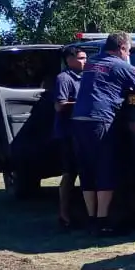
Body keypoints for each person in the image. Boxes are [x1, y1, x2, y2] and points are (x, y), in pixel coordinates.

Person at [70, 32, 135, 235]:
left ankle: (91, 217)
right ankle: (104, 221)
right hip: (101, 119)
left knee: (87, 169)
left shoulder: (92, 63)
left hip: (79, 120)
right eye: (128, 50)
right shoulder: (122, 66)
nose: (128, 53)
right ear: (121, 48)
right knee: (105, 169)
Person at [52, 46, 87, 230]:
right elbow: (60, 105)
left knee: (86, 172)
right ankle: (64, 215)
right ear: (69, 60)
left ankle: (86, 212)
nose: (84, 61)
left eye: (85, 57)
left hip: (84, 133)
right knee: (70, 174)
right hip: (67, 134)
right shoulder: (63, 79)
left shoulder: (87, 77)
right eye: (81, 58)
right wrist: (83, 103)